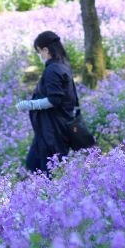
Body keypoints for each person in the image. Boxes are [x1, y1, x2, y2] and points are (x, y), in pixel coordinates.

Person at [16, 30, 80, 172]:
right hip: (50, 127)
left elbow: (54, 99)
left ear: (45, 49)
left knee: (48, 169)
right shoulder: (62, 65)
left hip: (52, 129)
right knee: (34, 164)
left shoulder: (53, 70)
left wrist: (30, 105)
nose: (40, 55)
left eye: (39, 51)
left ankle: (51, 192)